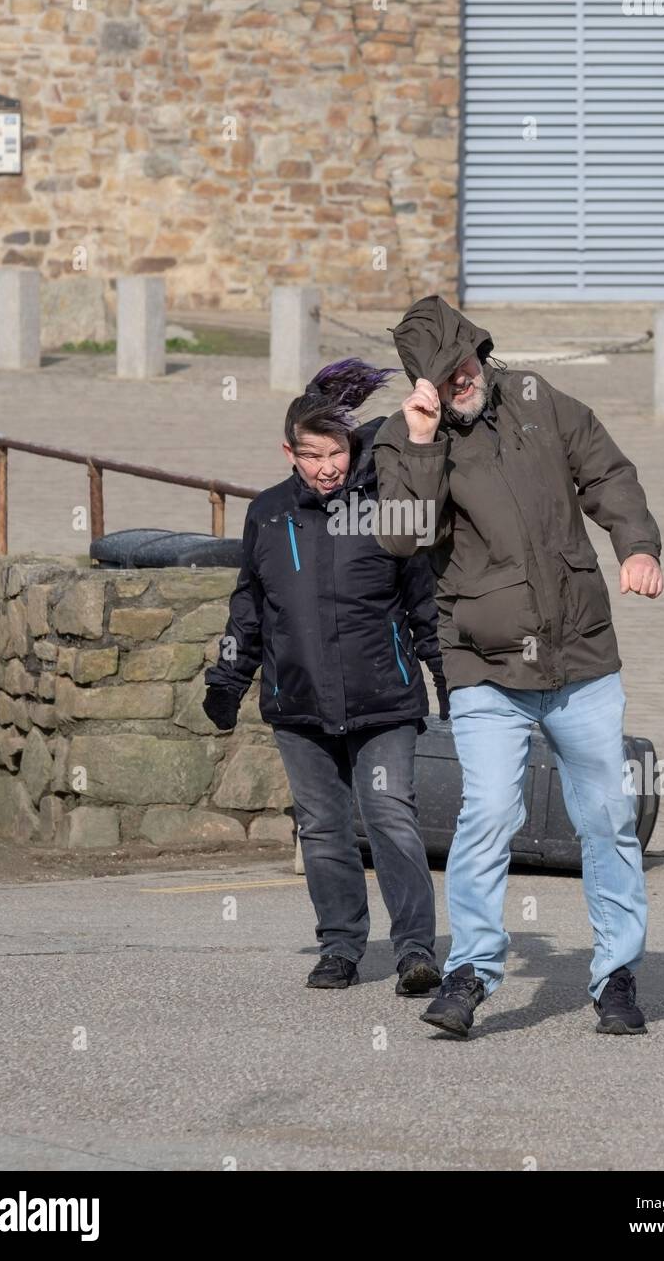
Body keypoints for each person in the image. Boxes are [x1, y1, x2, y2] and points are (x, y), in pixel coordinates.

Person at [372, 295, 664, 1038]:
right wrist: (424, 441)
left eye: (464, 362)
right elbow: (404, 537)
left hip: (581, 655)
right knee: (489, 816)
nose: (459, 379)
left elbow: (608, 473)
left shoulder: (540, 399)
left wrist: (636, 545)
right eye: (442, 375)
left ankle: (617, 977)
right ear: (423, 386)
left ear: (481, 351)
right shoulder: (399, 440)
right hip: (483, 665)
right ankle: (470, 973)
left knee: (606, 819)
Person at [203, 359, 447, 996]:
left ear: (352, 445)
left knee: (391, 816)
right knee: (322, 828)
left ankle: (416, 950)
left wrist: (449, 679)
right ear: (290, 452)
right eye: (311, 455)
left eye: (335, 451)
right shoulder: (268, 514)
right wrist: (228, 678)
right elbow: (249, 605)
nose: (326, 467)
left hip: (384, 701)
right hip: (299, 703)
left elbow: (423, 602)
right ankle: (339, 947)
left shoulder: (387, 510)